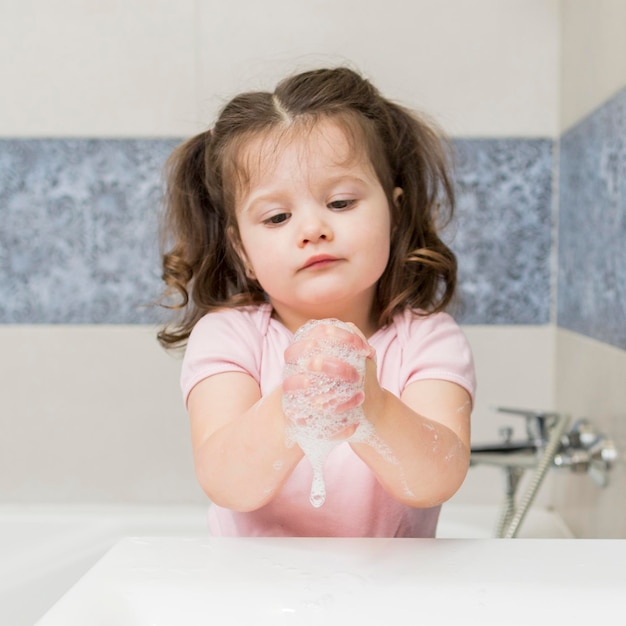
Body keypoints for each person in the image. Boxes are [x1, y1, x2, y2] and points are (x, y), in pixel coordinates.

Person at [157, 66, 476, 537]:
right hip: (258, 594)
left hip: (392, 593)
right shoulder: (229, 336)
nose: (313, 229)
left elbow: (436, 479)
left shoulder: (429, 339)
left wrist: (373, 407)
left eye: (341, 203)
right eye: (278, 216)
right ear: (242, 250)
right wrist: (294, 402)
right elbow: (227, 482)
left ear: (394, 212)